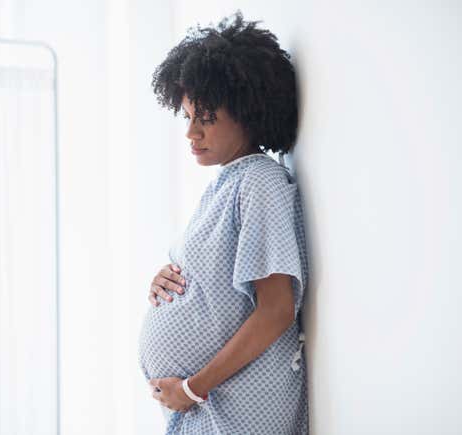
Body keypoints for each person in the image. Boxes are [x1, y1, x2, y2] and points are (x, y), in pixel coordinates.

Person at [137, 10, 309, 434]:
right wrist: (167, 280)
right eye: (189, 117)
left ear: (249, 112)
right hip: (211, 409)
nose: (191, 132)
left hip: (236, 409)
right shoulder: (228, 181)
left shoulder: (259, 181)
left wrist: (194, 389)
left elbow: (276, 310)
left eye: (206, 118)